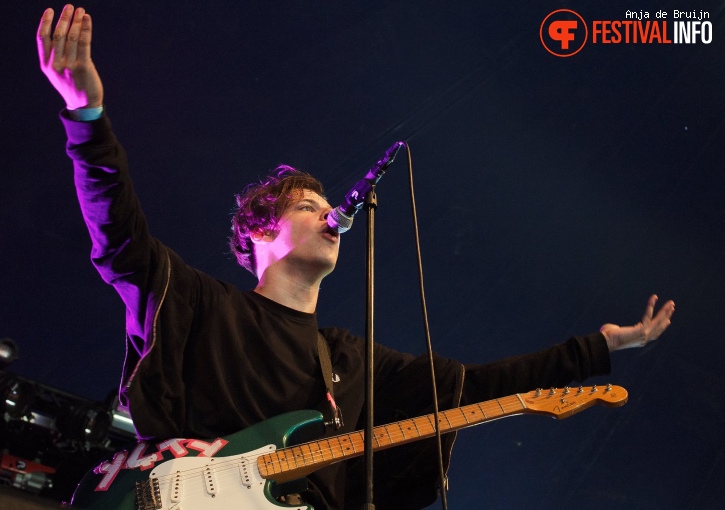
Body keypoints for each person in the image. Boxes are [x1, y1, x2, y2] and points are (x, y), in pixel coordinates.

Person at [37, 5, 676, 509]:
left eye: (326, 203)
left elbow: (475, 388)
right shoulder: (201, 304)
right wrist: (84, 113)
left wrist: (601, 347)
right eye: (307, 204)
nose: (328, 213)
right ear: (259, 232)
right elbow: (117, 234)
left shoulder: (347, 361)